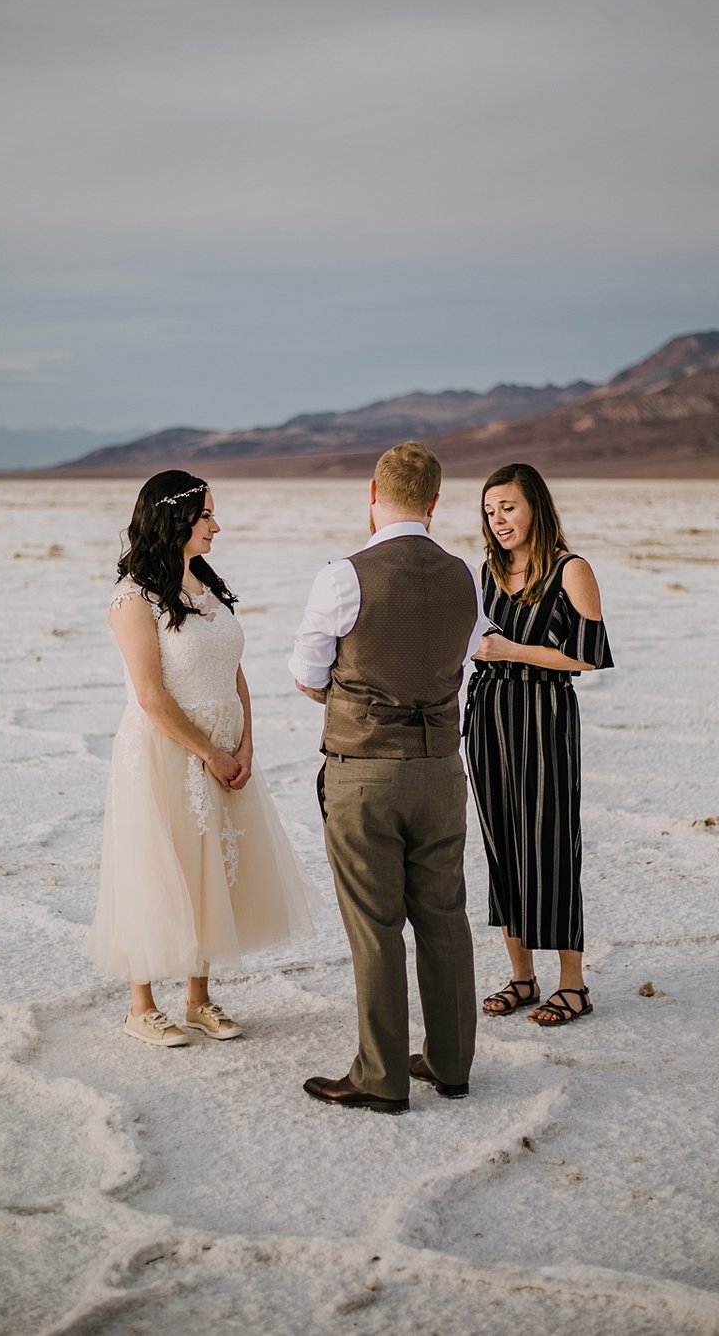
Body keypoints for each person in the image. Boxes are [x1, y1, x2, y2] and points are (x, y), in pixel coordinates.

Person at [290, 442, 488, 1112]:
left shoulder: (343, 577)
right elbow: (460, 660)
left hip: (365, 774)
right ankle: (450, 1062)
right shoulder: (466, 575)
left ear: (371, 495)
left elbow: (307, 676)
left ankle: (380, 1078)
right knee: (445, 915)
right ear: (435, 502)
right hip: (441, 772)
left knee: (375, 924)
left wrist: (357, 701)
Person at [88, 470, 315, 1046]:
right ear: (176, 520)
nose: (217, 525)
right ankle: (141, 1005)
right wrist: (209, 751)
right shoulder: (132, 597)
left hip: (223, 746)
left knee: (211, 865)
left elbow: (233, 670)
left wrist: (244, 744)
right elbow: (150, 694)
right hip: (165, 749)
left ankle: (198, 998)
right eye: (207, 515)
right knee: (156, 864)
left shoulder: (206, 585)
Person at [464, 462, 613, 1027]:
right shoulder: (486, 571)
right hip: (489, 715)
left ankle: (572, 986)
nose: (499, 520)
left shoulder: (572, 570)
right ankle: (522, 977)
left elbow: (587, 656)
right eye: (489, 511)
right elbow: (477, 644)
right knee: (501, 843)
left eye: (508, 508)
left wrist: (510, 652)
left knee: (549, 843)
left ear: (536, 508)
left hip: (545, 715)